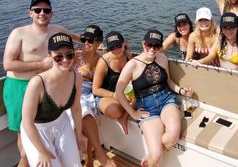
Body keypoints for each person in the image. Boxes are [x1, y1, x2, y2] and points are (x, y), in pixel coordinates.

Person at [2, 0, 79, 167]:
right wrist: (39, 64)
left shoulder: (58, 30)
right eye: (37, 10)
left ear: (52, 13)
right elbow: (7, 64)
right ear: (30, 13)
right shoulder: (19, 33)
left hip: (46, 87)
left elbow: (79, 39)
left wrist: (95, 44)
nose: (42, 13)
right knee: (24, 136)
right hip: (20, 86)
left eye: (46, 10)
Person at [116, 30, 193, 167]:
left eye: (156, 46)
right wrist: (132, 113)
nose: (152, 49)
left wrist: (181, 90)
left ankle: (151, 156)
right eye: (148, 45)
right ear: (143, 44)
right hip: (147, 107)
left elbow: (168, 81)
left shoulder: (162, 59)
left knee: (172, 136)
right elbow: (119, 91)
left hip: (166, 100)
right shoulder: (132, 65)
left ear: (160, 47)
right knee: (157, 156)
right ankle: (153, 156)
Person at [20, 32, 87, 167]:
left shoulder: (76, 78)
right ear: (49, 55)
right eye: (58, 57)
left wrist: (79, 134)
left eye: (69, 55)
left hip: (62, 123)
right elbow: (27, 122)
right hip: (37, 130)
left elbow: (76, 108)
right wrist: (42, 150)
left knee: (74, 164)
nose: (65, 60)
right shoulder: (37, 83)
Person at [74, 25, 116, 167]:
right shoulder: (74, 55)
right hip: (73, 92)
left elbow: (100, 83)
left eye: (90, 41)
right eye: (84, 39)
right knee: (86, 112)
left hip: (89, 93)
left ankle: (90, 160)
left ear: (98, 42)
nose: (86, 43)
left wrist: (90, 76)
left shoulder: (101, 60)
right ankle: (97, 154)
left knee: (88, 113)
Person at [191, 12, 238, 77]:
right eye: (225, 27)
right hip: (222, 78)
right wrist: (199, 61)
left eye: (231, 27)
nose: (228, 31)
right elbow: (211, 56)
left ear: (237, 27)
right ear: (221, 29)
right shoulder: (219, 41)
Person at [92, 31, 132, 134]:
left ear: (124, 43)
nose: (116, 50)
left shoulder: (128, 55)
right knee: (115, 111)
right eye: (112, 48)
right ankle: (127, 112)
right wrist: (115, 95)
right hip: (107, 96)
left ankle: (126, 114)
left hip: (124, 94)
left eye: (118, 46)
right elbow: (95, 89)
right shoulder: (104, 61)